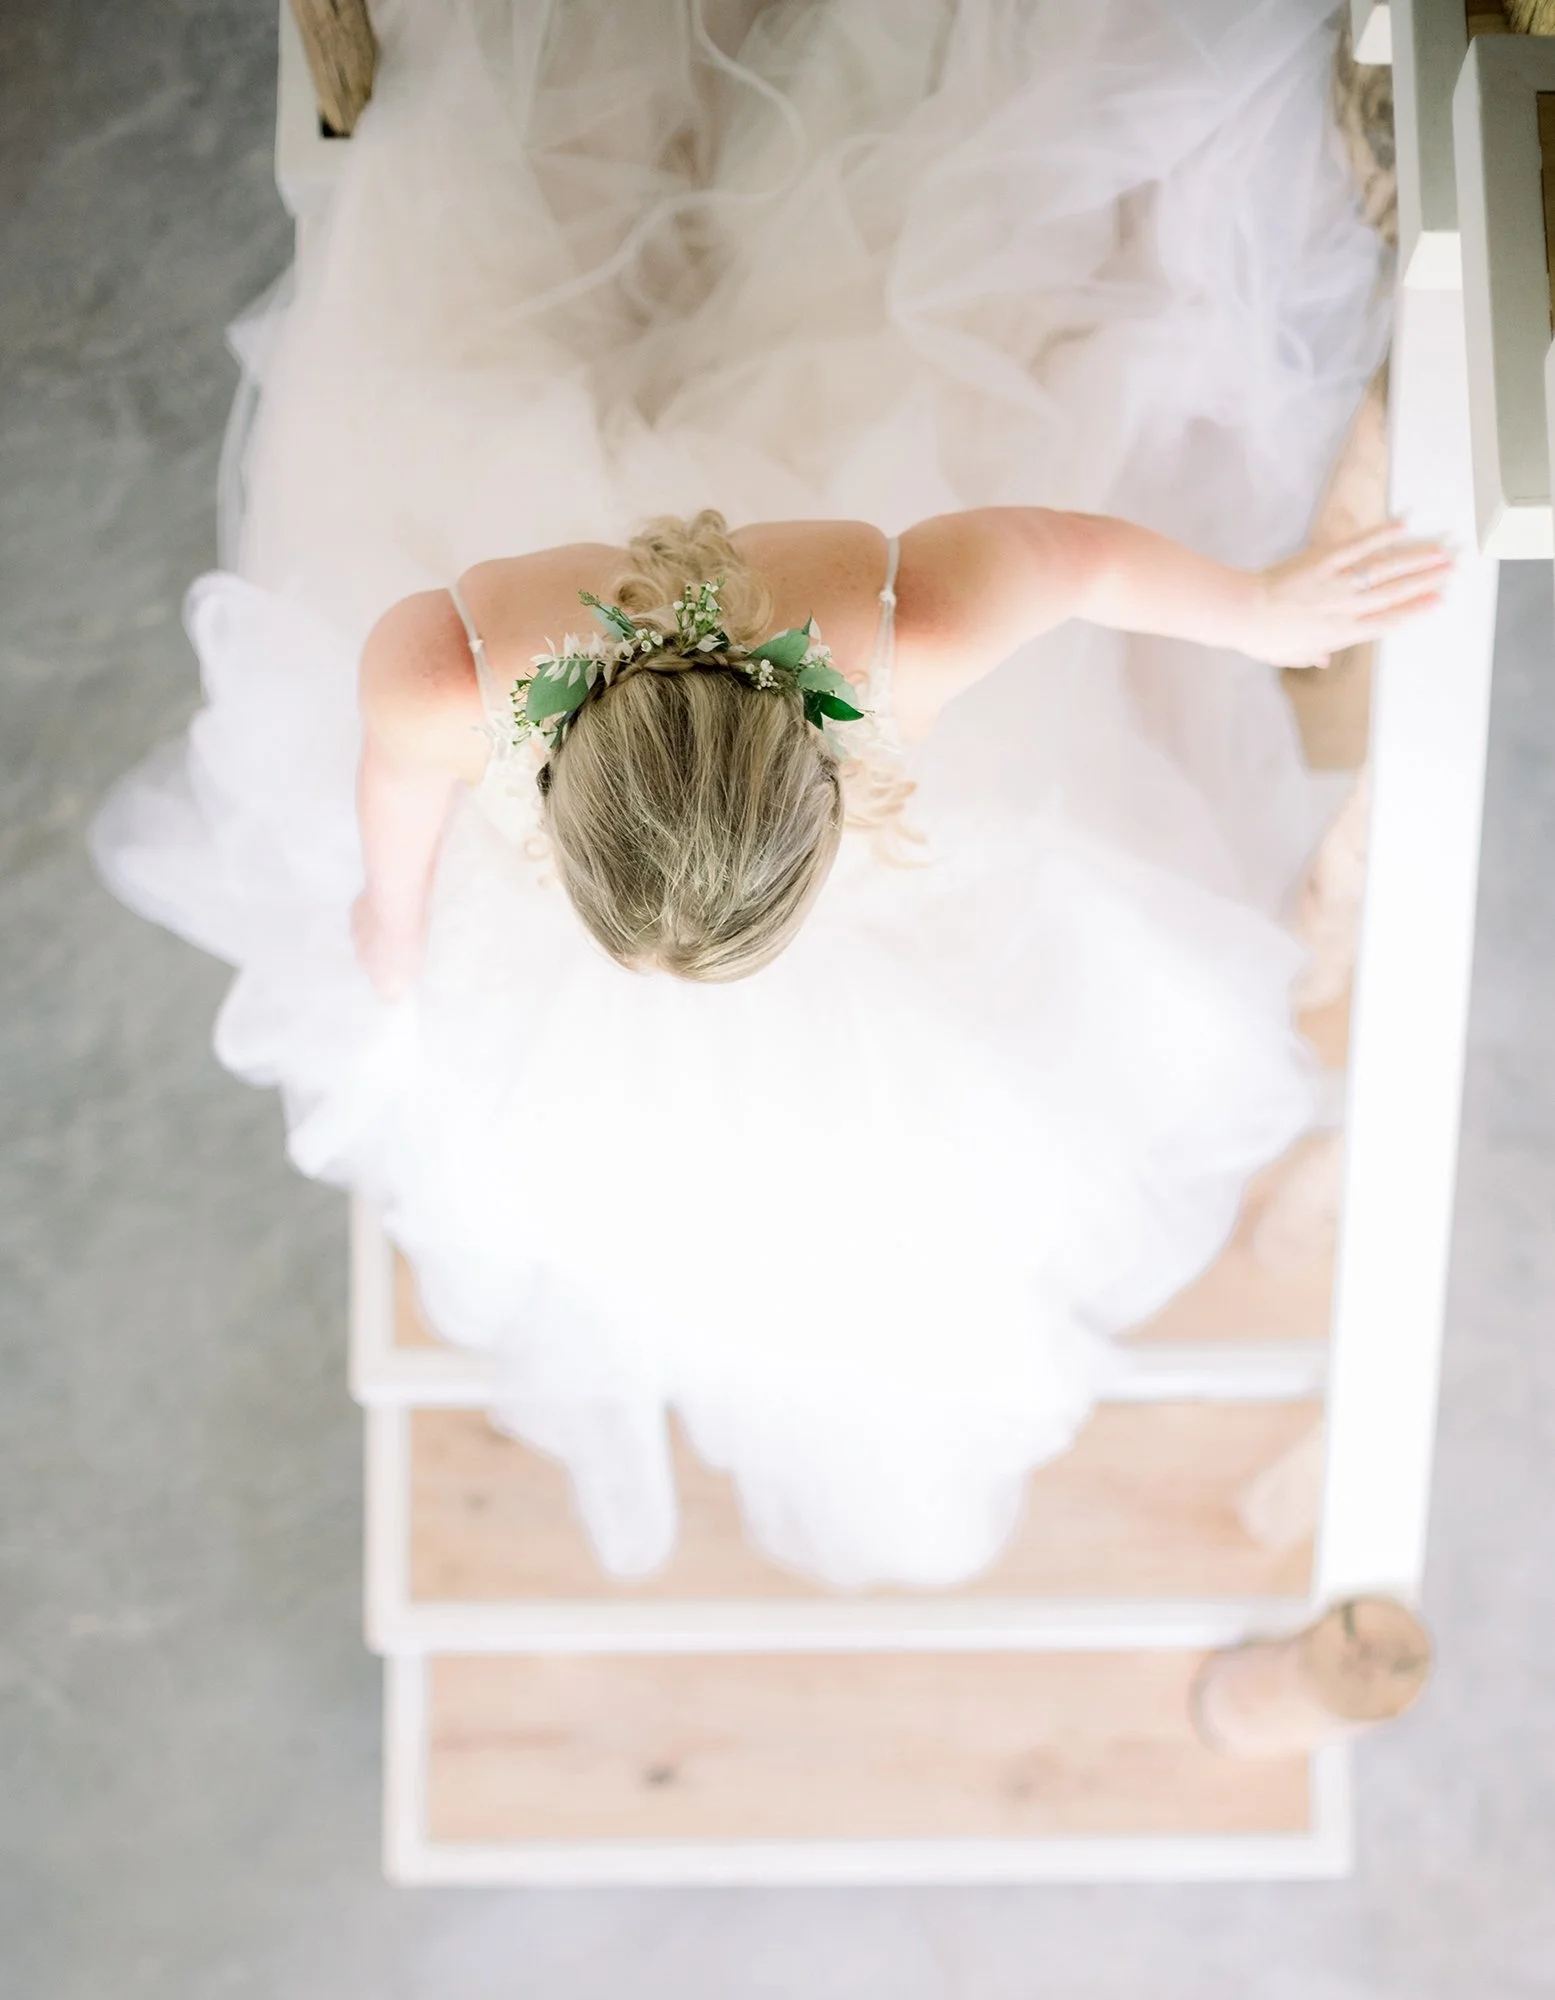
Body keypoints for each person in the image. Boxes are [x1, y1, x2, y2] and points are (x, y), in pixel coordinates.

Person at [91, 0, 1450, 1590]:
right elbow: (395, 806)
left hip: (748, 600)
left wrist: (1261, 610)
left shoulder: (871, 637)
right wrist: (391, 921)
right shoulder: (463, 671)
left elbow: (1071, 554)